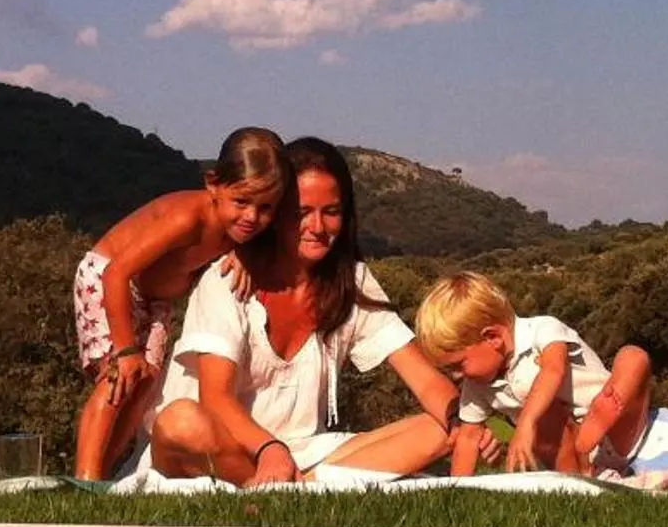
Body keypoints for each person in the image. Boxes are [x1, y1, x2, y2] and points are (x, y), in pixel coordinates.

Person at [147, 137, 456, 486]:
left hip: (305, 455)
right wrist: (269, 449)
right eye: (302, 212)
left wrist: (466, 423)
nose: (318, 227)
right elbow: (214, 399)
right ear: (277, 213)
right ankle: (286, 487)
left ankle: (296, 488)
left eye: (332, 212)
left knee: (443, 426)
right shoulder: (226, 278)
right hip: (225, 446)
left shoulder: (352, 282)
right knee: (180, 423)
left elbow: (424, 377)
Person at [70, 126, 289, 480]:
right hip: (109, 281)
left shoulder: (242, 237)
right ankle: (86, 476)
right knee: (119, 378)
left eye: (265, 208)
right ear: (213, 184)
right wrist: (126, 349)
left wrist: (245, 253)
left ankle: (104, 474)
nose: (251, 217)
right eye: (242, 202)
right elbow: (117, 273)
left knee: (144, 388)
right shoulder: (186, 218)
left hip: (155, 302)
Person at [413, 271, 652, 477]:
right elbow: (468, 436)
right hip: (574, 456)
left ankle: (601, 415)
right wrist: (458, 488)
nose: (455, 376)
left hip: (619, 432)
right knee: (543, 411)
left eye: (458, 365)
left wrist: (526, 423)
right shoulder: (477, 385)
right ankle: (578, 479)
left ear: (492, 337)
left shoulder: (543, 328)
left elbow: (553, 369)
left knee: (633, 357)